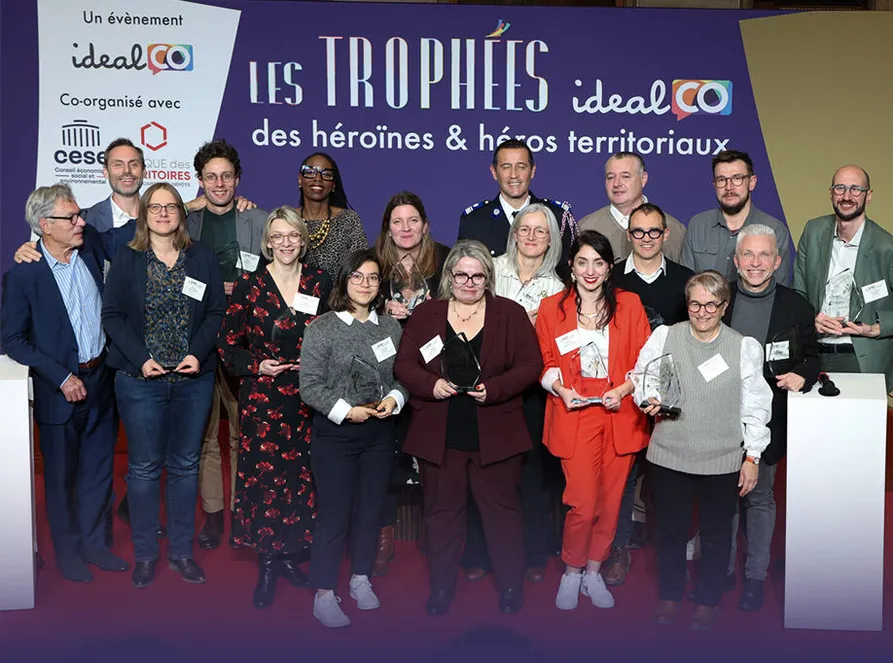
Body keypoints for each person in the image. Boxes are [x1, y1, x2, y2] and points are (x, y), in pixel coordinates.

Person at [394, 240, 543, 616]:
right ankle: (442, 589)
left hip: (496, 434)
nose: (469, 283)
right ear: (449, 276)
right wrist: (431, 385)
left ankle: (511, 587)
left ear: (488, 278)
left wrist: (495, 388)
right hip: (440, 436)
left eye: (477, 276)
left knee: (503, 515)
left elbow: (531, 365)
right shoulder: (428, 314)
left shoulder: (509, 313)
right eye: (461, 275)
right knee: (441, 517)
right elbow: (404, 365)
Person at [1, 184, 129, 582]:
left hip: (101, 382)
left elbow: (137, 229)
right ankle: (69, 554)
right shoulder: (24, 274)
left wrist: (194, 203)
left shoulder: (90, 250)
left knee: (99, 472)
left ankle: (95, 546)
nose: (80, 223)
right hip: (59, 393)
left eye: (80, 215)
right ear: (45, 225)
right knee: (60, 479)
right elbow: (12, 339)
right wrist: (60, 376)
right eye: (70, 217)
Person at [102, 183, 226, 589]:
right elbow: (112, 316)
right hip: (140, 381)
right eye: (154, 207)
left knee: (186, 466)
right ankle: (144, 554)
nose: (162, 213)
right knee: (143, 469)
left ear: (181, 213)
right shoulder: (127, 257)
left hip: (193, 379)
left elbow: (216, 311)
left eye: (170, 206)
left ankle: (181, 553)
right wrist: (142, 358)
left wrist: (198, 353)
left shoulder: (201, 256)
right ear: (144, 214)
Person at [632, 270, 771, 630]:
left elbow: (756, 406)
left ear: (724, 306)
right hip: (670, 454)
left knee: (716, 536)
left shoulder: (743, 347)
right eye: (695, 304)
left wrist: (752, 457)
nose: (702, 312)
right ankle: (670, 595)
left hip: (721, 460)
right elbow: (642, 377)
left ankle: (708, 600)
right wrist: (647, 397)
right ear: (687, 304)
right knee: (670, 532)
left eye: (711, 305)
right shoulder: (666, 336)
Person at [218, 207, 331, 608]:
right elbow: (227, 345)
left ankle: (290, 555)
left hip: (308, 397)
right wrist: (256, 365)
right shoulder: (249, 285)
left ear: (303, 239)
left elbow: (332, 336)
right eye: (278, 236)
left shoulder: (320, 281)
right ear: (267, 241)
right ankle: (267, 562)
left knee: (303, 479)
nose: (285, 243)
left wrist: (316, 366)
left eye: (293, 235)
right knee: (266, 481)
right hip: (263, 400)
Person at [534, 230, 651, 611]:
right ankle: (572, 571)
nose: (590, 271)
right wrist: (559, 389)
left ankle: (594, 571)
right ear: (570, 266)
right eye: (582, 262)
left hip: (619, 413)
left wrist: (626, 388)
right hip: (575, 414)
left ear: (609, 268)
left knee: (611, 502)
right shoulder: (551, 309)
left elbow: (645, 361)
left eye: (598, 263)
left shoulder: (629, 305)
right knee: (582, 503)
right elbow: (544, 362)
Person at [299, 249, 407, 628]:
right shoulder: (322, 328)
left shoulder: (390, 328)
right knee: (334, 515)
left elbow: (401, 378)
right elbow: (309, 385)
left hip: (379, 434)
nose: (365, 284)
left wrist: (395, 399)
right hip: (335, 436)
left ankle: (360, 578)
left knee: (370, 510)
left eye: (373, 277)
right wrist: (347, 411)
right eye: (357, 276)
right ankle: (324, 594)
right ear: (344, 281)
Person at [461, 203, 564, 585]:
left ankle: (534, 553)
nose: (532, 236)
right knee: (482, 473)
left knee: (532, 476)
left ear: (551, 239)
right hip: (485, 388)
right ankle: (479, 552)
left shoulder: (559, 288)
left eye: (541, 230)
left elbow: (553, 345)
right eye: (525, 228)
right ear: (514, 233)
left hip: (532, 394)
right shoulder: (489, 271)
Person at [723, 224, 820, 611]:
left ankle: (754, 578)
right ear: (736, 260)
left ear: (778, 262)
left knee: (760, 498)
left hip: (768, 420)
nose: (756, 262)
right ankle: (721, 571)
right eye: (748, 254)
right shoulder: (718, 298)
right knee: (723, 499)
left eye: (764, 255)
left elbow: (812, 356)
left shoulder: (796, 306)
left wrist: (803, 375)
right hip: (719, 418)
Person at [602, 202, 694, 586]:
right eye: (637, 232)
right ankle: (618, 547)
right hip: (623, 393)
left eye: (653, 231)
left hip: (672, 396)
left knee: (672, 479)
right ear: (628, 235)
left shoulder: (685, 280)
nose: (645, 239)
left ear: (665, 234)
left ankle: (677, 547)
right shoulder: (610, 279)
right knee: (623, 477)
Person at [187, 139, 270, 551]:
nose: (219, 184)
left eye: (226, 176)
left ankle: (240, 510)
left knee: (242, 433)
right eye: (211, 177)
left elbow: (278, 273)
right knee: (205, 436)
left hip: (246, 341)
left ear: (238, 179)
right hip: (199, 339)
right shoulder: (184, 220)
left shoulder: (259, 219)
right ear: (200, 181)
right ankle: (214, 513)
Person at [372, 191, 450, 576]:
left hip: (435, 373)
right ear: (388, 228)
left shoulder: (446, 260)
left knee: (437, 460)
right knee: (387, 457)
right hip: (385, 374)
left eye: (413, 220)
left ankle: (438, 539)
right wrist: (379, 307)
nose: (406, 228)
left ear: (425, 225)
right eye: (397, 222)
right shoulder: (373, 264)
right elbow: (347, 305)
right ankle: (383, 537)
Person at [793, 165, 893, 391]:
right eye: (840, 188)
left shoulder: (886, 247)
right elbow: (797, 293)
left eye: (856, 189)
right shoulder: (813, 231)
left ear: (868, 195)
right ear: (831, 193)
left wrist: (875, 328)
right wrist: (811, 320)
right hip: (812, 354)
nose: (847, 196)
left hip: (860, 358)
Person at [457, 139, 577, 279]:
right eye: (506, 167)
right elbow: (463, 275)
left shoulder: (558, 217)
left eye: (521, 166)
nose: (514, 174)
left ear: (532, 171)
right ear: (494, 172)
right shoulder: (474, 221)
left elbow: (569, 275)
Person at [681, 150, 792, 285]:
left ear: (752, 182)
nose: (729, 187)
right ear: (714, 185)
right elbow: (686, 284)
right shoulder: (698, 225)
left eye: (737, 178)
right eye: (722, 180)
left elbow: (778, 289)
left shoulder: (774, 230)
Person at [577, 152, 686, 262]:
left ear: (643, 179)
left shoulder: (674, 229)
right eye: (610, 177)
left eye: (625, 176)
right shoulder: (586, 227)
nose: (616, 183)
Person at [297, 152, 368, 280]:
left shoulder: (348, 220)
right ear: (300, 180)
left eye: (326, 174)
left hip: (339, 293)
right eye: (310, 172)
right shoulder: (287, 219)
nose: (318, 178)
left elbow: (361, 269)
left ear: (333, 185)